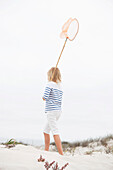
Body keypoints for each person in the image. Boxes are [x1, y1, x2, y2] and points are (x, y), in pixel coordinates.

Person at [42, 67, 63, 155]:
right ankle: (46, 151)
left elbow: (45, 97)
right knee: (46, 131)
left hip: (51, 111)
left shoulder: (49, 84)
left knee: (55, 131)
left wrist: (43, 98)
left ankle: (61, 154)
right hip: (58, 111)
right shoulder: (59, 86)